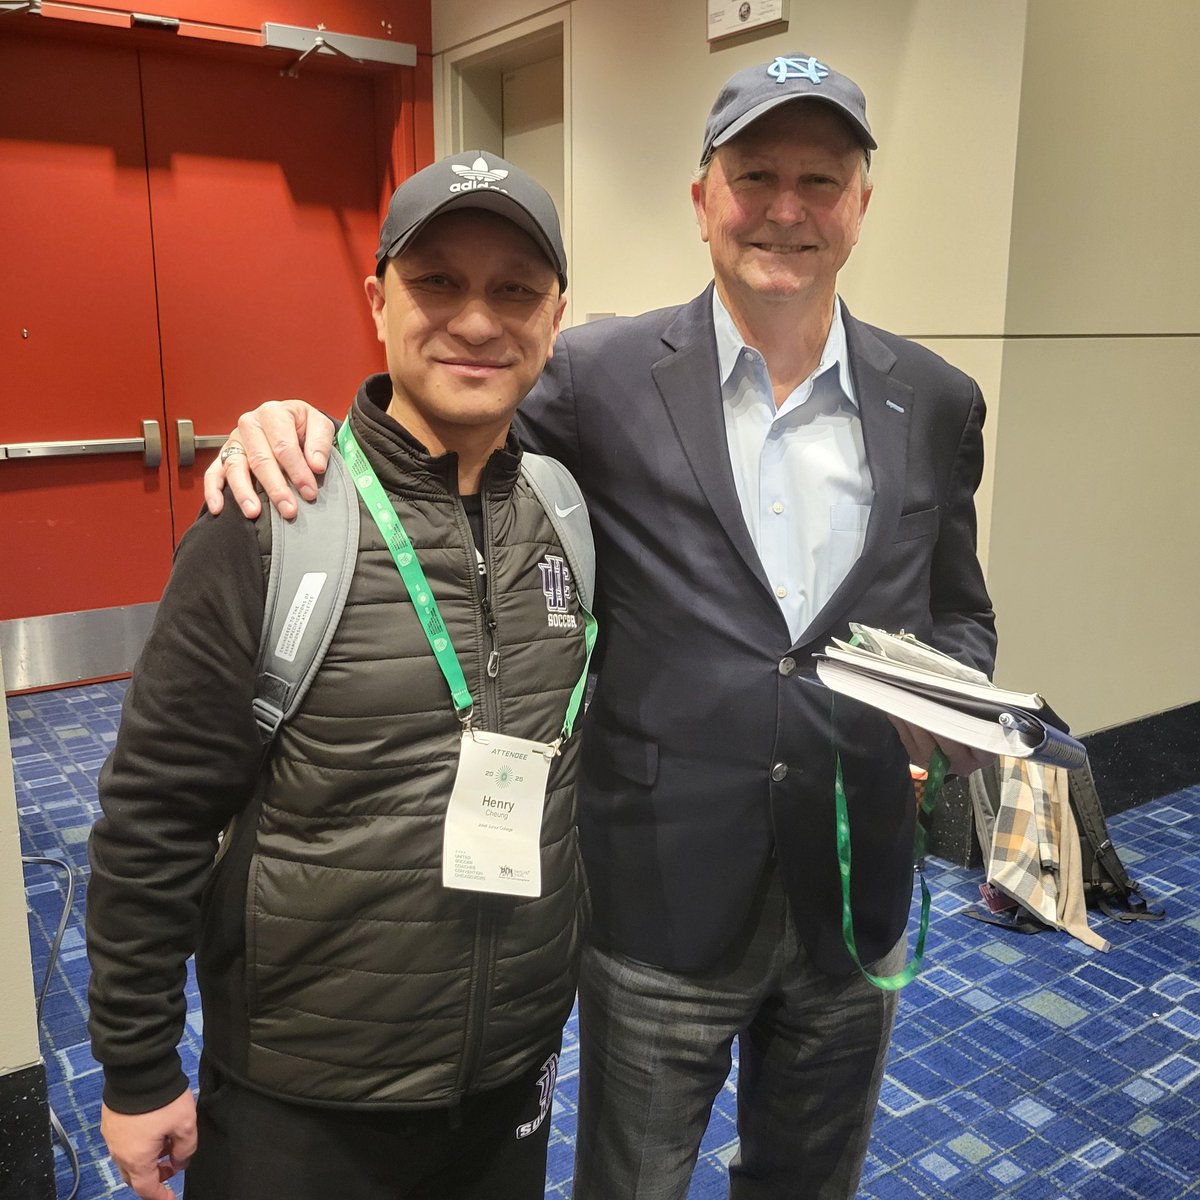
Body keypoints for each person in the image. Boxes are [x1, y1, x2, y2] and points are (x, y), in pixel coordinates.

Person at [206, 54, 997, 1200]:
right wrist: (290, 426)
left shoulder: (934, 401)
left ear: (862, 204)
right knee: (632, 1183)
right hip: (656, 896)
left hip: (853, 884)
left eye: (820, 181)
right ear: (702, 199)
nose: (786, 208)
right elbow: (440, 392)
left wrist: (956, 703)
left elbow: (959, 609)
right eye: (754, 175)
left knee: (813, 1181)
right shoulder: (598, 374)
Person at [86, 152, 594, 1200]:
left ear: (554, 315)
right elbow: (154, 813)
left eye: (514, 289)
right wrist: (137, 1070)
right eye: (438, 281)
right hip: (304, 1103)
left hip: (509, 1080)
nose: (477, 320)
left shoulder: (568, 516)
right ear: (376, 302)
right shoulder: (273, 520)